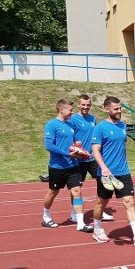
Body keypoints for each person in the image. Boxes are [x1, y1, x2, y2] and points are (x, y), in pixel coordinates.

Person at [89, 96, 135, 246]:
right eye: (116, 109)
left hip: (123, 172)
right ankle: (97, 229)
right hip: (106, 174)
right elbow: (95, 151)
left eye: (120, 108)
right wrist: (104, 168)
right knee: (101, 202)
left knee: (129, 201)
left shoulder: (123, 126)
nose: (119, 111)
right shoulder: (100, 128)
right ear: (106, 109)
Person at [42, 99, 94, 233]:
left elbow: (71, 141)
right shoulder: (51, 125)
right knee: (53, 192)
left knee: (77, 191)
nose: (72, 112)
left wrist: (77, 145)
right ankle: (46, 215)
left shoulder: (70, 124)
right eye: (70, 110)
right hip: (57, 166)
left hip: (73, 165)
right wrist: (67, 154)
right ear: (61, 110)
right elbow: (49, 145)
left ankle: (80, 223)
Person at [68, 94, 114, 224]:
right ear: (78, 105)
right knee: (76, 188)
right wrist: (75, 147)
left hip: (92, 158)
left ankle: (100, 209)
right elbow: (70, 139)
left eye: (88, 105)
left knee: (102, 182)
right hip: (78, 160)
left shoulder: (93, 119)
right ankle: (74, 213)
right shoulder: (73, 119)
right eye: (83, 104)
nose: (85, 107)